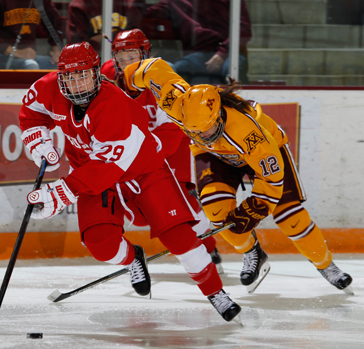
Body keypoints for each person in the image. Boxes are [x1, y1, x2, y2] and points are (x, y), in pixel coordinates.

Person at [19, 41, 241, 323]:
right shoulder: (49, 87)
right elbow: (32, 112)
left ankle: (215, 293)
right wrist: (37, 137)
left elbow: (107, 165)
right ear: (61, 75)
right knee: (100, 244)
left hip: (143, 170)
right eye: (69, 76)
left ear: (96, 73)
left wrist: (64, 191)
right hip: (93, 174)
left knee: (180, 238)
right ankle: (133, 259)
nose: (76, 83)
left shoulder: (112, 105)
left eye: (83, 74)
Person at [122, 57, 354, 294]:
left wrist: (257, 206)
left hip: (262, 156)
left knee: (290, 215)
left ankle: (326, 265)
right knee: (218, 213)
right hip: (214, 154)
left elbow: (272, 178)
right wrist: (126, 82)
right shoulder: (175, 101)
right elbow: (152, 68)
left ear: (218, 116)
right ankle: (253, 253)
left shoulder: (249, 133)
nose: (201, 134)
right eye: (194, 131)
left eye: (206, 130)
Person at [101, 28, 225, 273]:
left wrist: (142, 154)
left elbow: (170, 129)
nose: (126, 62)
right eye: (121, 56)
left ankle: (208, 247)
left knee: (184, 202)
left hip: (170, 145)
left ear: (145, 54)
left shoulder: (160, 76)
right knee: (140, 211)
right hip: (131, 149)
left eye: (132, 55)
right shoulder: (106, 74)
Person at [145, 0, 252, 84]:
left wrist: (222, 53)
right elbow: (146, 12)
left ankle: (244, 106)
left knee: (233, 72)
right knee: (176, 72)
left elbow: (244, 29)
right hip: (198, 55)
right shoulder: (174, 1)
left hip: (230, 53)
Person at [0, 0, 62, 70]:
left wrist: (57, 50)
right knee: (30, 66)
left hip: (29, 57)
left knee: (60, 67)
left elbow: (55, 23)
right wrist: (15, 52)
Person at [66, 0, 145, 55]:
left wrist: (101, 39)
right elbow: (78, 46)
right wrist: (118, 40)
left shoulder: (129, 4)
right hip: (92, 64)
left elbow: (136, 39)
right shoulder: (77, 6)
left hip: (126, 59)